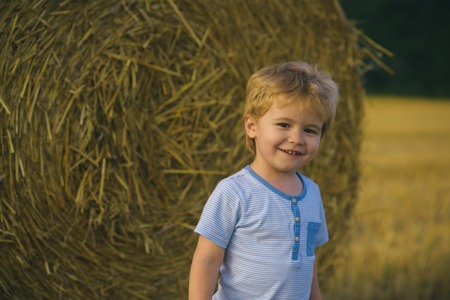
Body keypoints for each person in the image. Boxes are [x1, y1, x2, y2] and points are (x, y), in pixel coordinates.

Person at [189, 61, 339, 300]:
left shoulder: (312, 193)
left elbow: (307, 260)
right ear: (251, 126)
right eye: (284, 125)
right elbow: (206, 260)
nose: (296, 138)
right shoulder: (234, 192)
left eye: (310, 130)